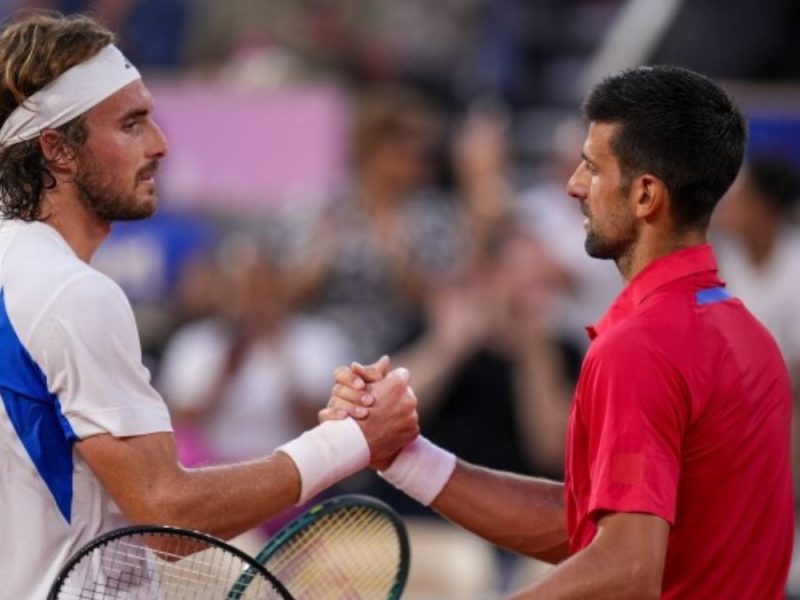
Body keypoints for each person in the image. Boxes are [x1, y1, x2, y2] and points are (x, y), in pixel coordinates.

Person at [327, 65, 795, 598]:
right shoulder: (750, 337)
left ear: (646, 196)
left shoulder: (641, 348)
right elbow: (595, 530)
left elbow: (628, 567)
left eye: (591, 168)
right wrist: (406, 458)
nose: (573, 186)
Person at [0, 14, 418, 598]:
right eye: (131, 124)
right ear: (58, 150)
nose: (160, 144)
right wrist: (350, 441)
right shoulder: (72, 294)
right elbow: (168, 518)